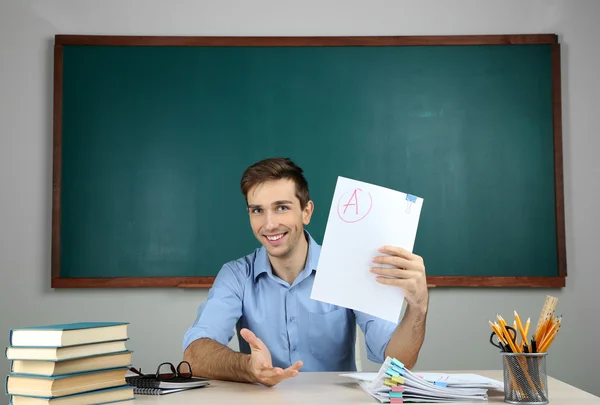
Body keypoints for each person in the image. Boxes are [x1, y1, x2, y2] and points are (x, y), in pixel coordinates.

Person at [182, 157, 429, 387]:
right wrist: (248, 366)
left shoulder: (346, 268)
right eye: (258, 210)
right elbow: (195, 354)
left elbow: (398, 362)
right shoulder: (236, 276)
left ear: (306, 212)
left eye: (281, 208)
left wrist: (418, 308)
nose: (269, 224)